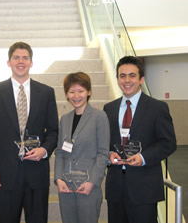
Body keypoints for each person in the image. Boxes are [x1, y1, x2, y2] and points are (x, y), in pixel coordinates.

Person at [0, 41, 58, 223]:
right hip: (5, 174)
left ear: (31, 62)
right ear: (9, 62)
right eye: (16, 57)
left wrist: (44, 150)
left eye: (25, 58)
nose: (21, 61)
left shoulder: (46, 92)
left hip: (36, 172)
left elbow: (54, 130)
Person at [104, 56, 177, 223]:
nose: (127, 80)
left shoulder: (157, 108)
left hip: (144, 188)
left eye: (132, 75)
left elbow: (168, 143)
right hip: (116, 187)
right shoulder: (109, 108)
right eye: (122, 76)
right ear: (117, 79)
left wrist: (144, 157)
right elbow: (106, 142)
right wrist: (109, 153)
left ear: (141, 79)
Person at [54, 72, 110, 223]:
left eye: (81, 91)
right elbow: (60, 152)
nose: (76, 95)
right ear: (66, 94)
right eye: (71, 91)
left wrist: (92, 181)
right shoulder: (65, 119)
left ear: (89, 92)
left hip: (88, 185)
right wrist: (58, 178)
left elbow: (103, 153)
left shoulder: (99, 117)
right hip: (66, 185)